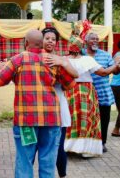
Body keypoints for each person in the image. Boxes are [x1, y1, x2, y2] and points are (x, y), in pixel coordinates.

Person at [0, 29, 76, 178]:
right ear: (42, 43)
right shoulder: (52, 60)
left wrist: (8, 72)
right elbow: (71, 85)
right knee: (48, 161)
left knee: (25, 160)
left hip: (26, 120)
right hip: (51, 119)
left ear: (26, 43)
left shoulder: (17, 60)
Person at [64, 33, 119, 157]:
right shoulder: (87, 60)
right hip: (85, 92)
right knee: (86, 119)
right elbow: (103, 72)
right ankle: (85, 150)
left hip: (70, 92)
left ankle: (69, 148)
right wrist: (116, 65)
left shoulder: (64, 59)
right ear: (81, 46)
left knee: (71, 119)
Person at [41, 27, 78, 178]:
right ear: (40, 40)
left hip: (58, 108)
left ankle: (62, 175)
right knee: (41, 148)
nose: (50, 41)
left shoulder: (61, 59)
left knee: (59, 147)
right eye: (47, 38)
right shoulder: (35, 57)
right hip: (39, 108)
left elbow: (75, 74)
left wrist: (62, 62)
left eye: (53, 39)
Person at [82, 32, 118, 152]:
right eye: (93, 39)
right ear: (86, 41)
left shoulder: (106, 55)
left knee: (104, 119)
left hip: (103, 93)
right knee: (87, 120)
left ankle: (102, 143)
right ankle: (88, 144)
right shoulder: (81, 54)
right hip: (86, 94)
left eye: (97, 39)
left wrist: (119, 66)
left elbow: (115, 71)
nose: (96, 41)